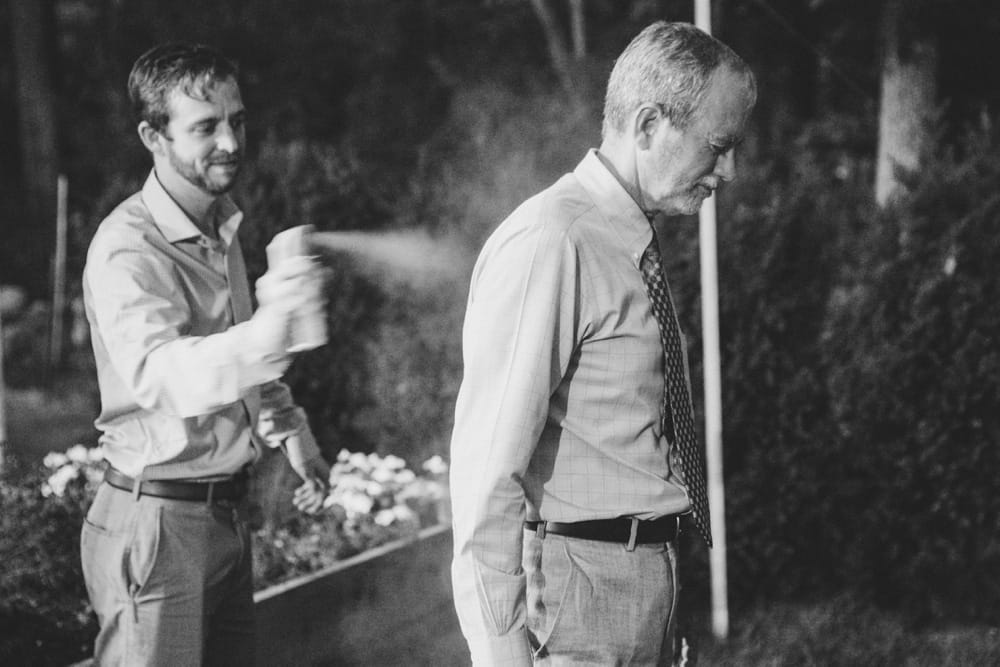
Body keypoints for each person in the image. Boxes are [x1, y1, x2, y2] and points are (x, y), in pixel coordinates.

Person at [449, 21, 756, 665]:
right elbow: (487, 469)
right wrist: (501, 652)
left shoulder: (625, 237)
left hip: (638, 576)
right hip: (580, 589)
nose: (729, 170)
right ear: (649, 126)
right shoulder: (553, 239)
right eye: (718, 145)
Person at [80, 43, 331, 665]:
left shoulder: (221, 228)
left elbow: (237, 348)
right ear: (153, 136)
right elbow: (166, 375)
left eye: (237, 120)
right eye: (206, 127)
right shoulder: (127, 250)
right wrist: (276, 326)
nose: (230, 140)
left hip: (223, 520)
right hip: (159, 525)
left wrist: (288, 427)